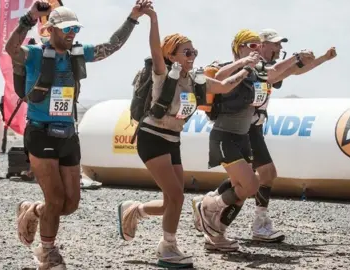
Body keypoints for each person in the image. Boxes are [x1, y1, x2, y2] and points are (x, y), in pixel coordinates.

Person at [6, 0, 150, 268]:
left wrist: (132, 18)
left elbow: (112, 46)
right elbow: (10, 48)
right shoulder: (35, 54)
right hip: (40, 133)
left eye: (75, 28)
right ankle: (47, 253)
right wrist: (29, 18)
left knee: (70, 204)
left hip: (68, 134)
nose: (72, 32)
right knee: (55, 198)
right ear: (51, 30)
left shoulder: (77, 53)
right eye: (66, 28)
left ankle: (32, 210)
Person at [116, 9, 261, 269]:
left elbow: (225, 86)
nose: (192, 56)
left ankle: (135, 210)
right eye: (187, 52)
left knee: (174, 198)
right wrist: (153, 20)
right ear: (171, 56)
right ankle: (167, 248)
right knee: (176, 196)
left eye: (194, 52)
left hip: (173, 140)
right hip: (152, 137)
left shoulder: (195, 79)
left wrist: (244, 67)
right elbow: (155, 47)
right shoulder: (163, 74)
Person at [192, 28, 337, 247]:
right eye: (274, 44)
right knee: (262, 176)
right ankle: (244, 221)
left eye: (279, 45)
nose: (277, 48)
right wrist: (295, 58)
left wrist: (322, 59)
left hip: (252, 129)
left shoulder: (261, 69)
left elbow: (288, 71)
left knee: (247, 181)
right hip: (239, 130)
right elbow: (270, 73)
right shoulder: (243, 67)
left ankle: (216, 215)